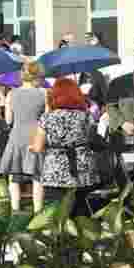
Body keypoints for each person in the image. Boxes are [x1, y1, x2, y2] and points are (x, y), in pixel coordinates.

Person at [30, 78, 100, 218]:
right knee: (81, 210)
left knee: (56, 213)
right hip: (82, 170)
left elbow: (37, 147)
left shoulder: (47, 118)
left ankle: (60, 238)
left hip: (55, 172)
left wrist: (32, 147)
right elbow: (92, 139)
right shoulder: (86, 116)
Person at [0, 61, 46, 213]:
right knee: (37, 176)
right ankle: (38, 211)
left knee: (15, 176)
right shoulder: (44, 93)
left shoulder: (12, 94)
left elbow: (8, 120)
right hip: (36, 135)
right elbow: (47, 118)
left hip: (17, 136)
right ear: (37, 75)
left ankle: (15, 211)